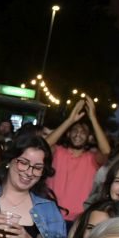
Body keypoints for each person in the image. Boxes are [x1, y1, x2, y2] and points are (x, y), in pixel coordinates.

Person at [46, 97, 112, 228]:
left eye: (83, 132)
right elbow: (45, 144)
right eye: (75, 130)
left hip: (78, 219)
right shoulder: (58, 151)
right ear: (68, 134)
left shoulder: (92, 158)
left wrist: (93, 118)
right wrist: (70, 120)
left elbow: (106, 151)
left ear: (90, 138)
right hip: (49, 214)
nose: (78, 134)